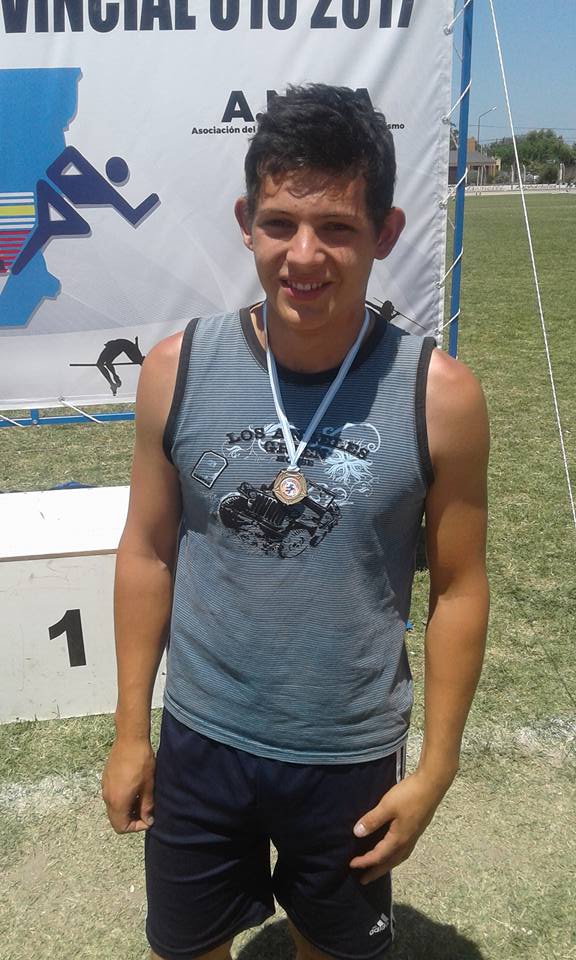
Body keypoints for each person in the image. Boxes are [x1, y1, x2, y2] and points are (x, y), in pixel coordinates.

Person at [102, 84, 489, 960]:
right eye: (280, 223)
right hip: (202, 738)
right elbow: (148, 551)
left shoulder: (441, 397)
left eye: (337, 228)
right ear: (247, 222)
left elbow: (460, 588)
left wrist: (437, 768)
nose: (303, 255)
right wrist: (130, 732)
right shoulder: (175, 369)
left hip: (347, 753)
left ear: (385, 233)